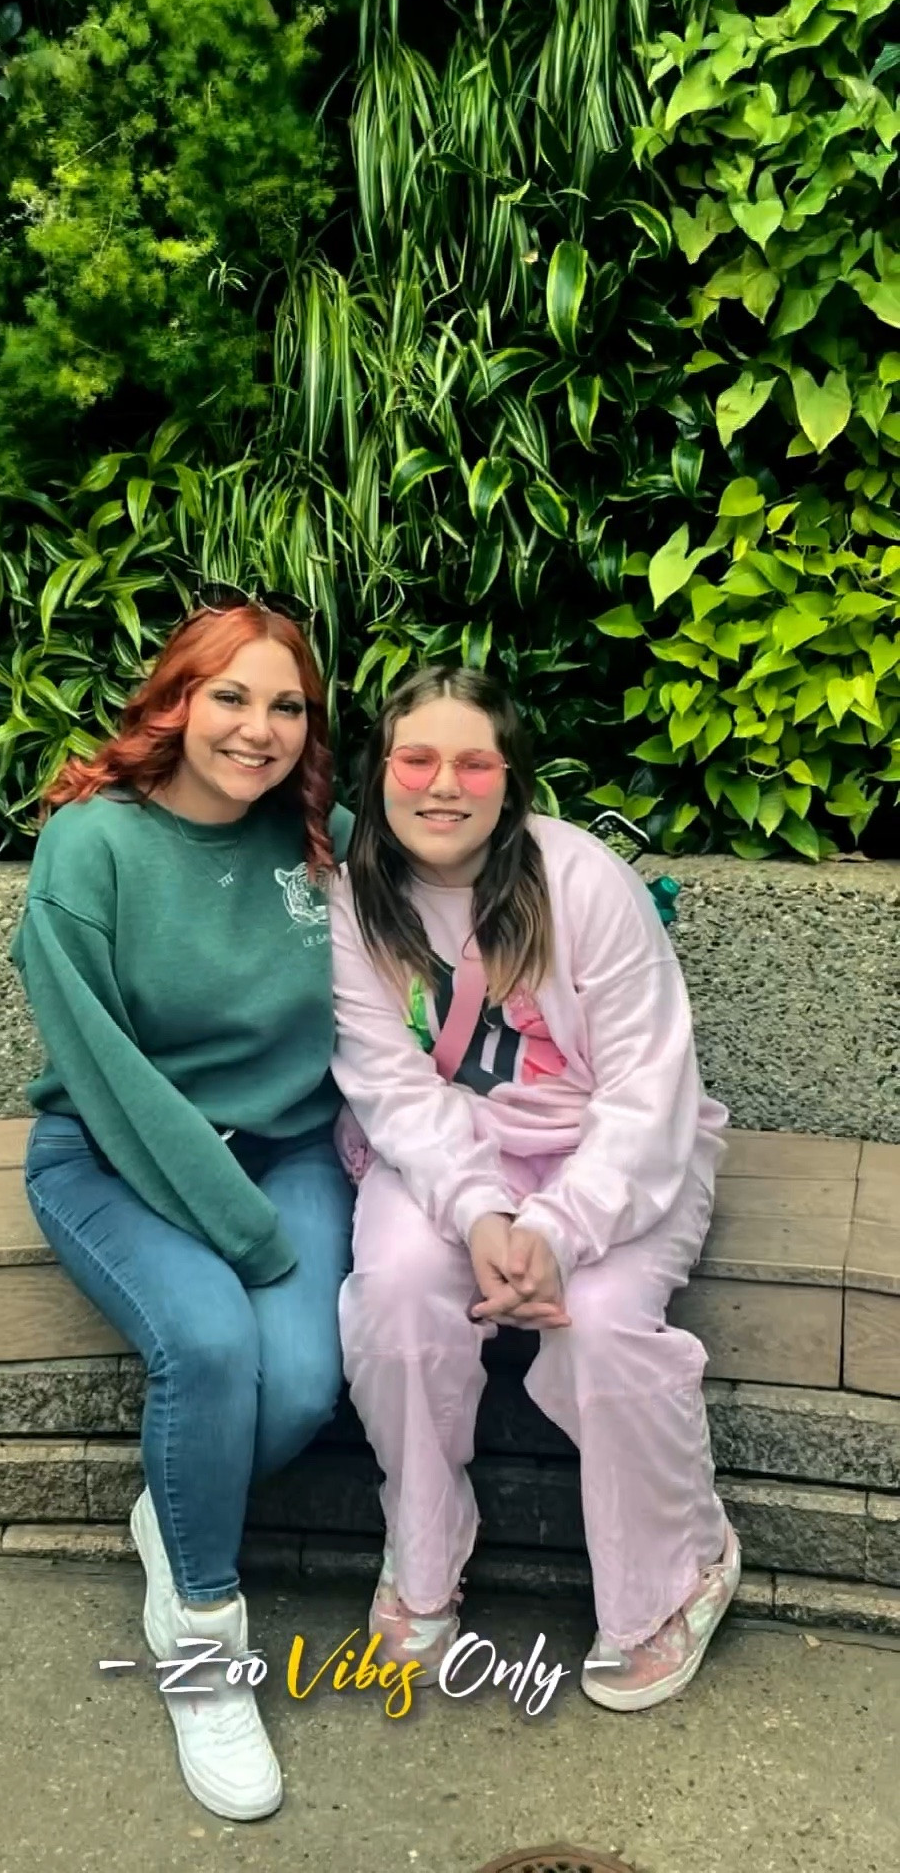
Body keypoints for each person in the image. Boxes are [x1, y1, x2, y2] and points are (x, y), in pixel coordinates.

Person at [329, 665, 739, 1713]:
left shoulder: (581, 881)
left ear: (511, 779)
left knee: (599, 1322)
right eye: (417, 759)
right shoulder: (354, 901)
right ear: (381, 772)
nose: (443, 785)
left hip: (617, 1154)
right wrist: (480, 1211)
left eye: (474, 762)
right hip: (450, 1153)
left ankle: (682, 1568)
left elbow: (648, 1090)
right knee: (396, 1290)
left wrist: (556, 1228)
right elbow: (389, 1086)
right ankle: (423, 1551)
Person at [10, 595, 355, 1821]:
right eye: (232, 697)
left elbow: (466, 904)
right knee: (209, 1347)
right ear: (177, 700)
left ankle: (174, 1510)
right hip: (112, 1155)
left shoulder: (322, 841)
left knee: (302, 1383)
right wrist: (245, 1235)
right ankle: (203, 1638)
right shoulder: (91, 846)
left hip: (288, 1152)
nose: (259, 729)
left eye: (287, 706)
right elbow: (103, 1071)